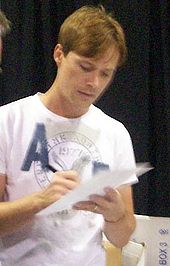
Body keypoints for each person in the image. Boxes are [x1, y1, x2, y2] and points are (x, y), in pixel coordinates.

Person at [0, 5, 137, 266]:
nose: (94, 83)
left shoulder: (115, 133)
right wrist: (39, 201)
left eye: (105, 73)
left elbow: (121, 237)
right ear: (59, 54)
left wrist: (116, 215)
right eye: (85, 67)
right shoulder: (8, 121)